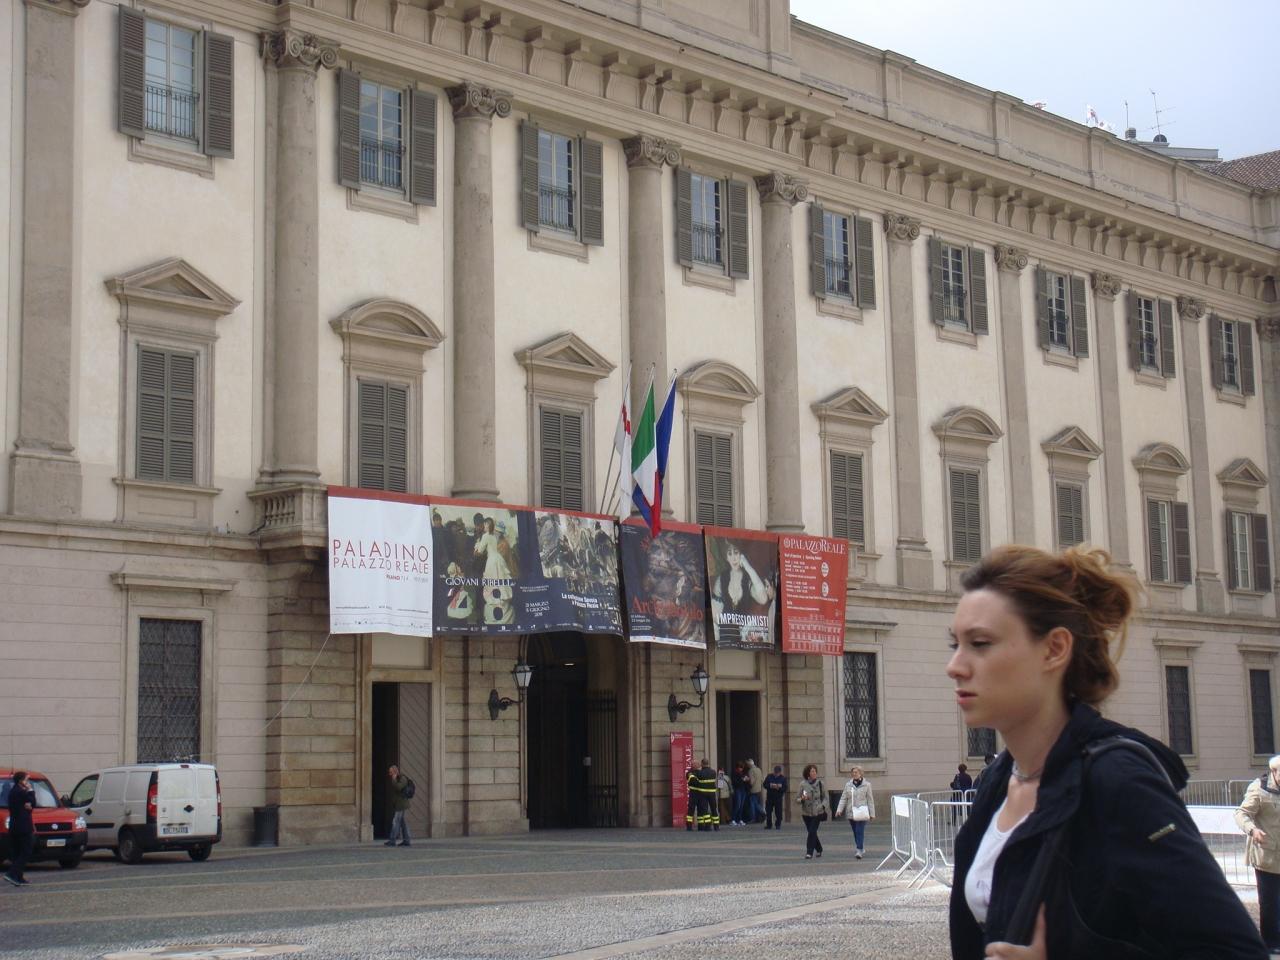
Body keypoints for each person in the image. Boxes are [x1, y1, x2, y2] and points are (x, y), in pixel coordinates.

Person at [947, 545, 1265, 959]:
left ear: (1054, 649)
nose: (955, 666)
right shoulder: (997, 781)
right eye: (955, 644)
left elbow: (1235, 951)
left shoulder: (1118, 780)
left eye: (980, 643)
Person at [1236, 755, 1280, 953]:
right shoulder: (1259, 788)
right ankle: (1271, 943)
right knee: (1270, 902)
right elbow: (1241, 813)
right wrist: (1253, 830)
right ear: (1274, 771)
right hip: (1266, 856)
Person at [834, 765, 875, 859]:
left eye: (856, 772)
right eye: (853, 772)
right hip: (851, 811)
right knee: (855, 831)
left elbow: (870, 800)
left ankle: (859, 850)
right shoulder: (848, 785)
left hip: (862, 812)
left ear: (861, 773)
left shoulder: (867, 785)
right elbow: (843, 798)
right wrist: (839, 810)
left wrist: (872, 814)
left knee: (859, 830)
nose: (854, 774)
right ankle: (861, 847)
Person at [3, 771, 36, 886]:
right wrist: (30, 790)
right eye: (26, 780)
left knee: (18, 852)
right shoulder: (21, 792)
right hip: (23, 827)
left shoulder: (13, 792)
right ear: (21, 781)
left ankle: (18, 877)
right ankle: (11, 873)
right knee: (26, 851)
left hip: (15, 826)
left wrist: (28, 806)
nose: (28, 782)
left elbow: (29, 805)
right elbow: (33, 802)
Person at [795, 763, 826, 860]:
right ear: (808, 773)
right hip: (806, 812)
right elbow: (797, 799)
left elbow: (825, 798)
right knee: (812, 832)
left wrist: (822, 806)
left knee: (812, 831)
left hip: (817, 812)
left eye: (815, 771)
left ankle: (809, 852)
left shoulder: (820, 784)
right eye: (812, 771)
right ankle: (819, 849)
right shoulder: (803, 784)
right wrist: (802, 799)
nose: (814, 773)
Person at [385, 765, 411, 847]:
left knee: (395, 822)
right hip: (398, 804)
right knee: (403, 823)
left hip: (401, 805)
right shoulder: (397, 779)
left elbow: (399, 787)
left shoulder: (402, 778)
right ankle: (406, 840)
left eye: (391, 772)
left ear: (395, 771)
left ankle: (392, 840)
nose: (389, 774)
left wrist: (394, 779)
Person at [692, 759, 719, 831]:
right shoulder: (713, 772)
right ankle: (716, 826)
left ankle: (708, 826)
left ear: (702, 764)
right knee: (714, 809)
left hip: (703, 794)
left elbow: (695, 782)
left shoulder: (700, 773)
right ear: (708, 763)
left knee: (705, 810)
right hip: (712, 793)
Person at [763, 764, 787, 829]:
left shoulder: (783, 778)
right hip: (770, 797)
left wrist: (779, 788)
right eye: (775, 773)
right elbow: (764, 784)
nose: (776, 774)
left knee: (778, 812)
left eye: (777, 773)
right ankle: (769, 825)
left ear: (780, 772)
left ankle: (778, 824)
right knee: (768, 811)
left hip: (778, 798)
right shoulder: (769, 776)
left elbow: (785, 788)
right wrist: (770, 786)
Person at [746, 758, 765, 824]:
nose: (747, 766)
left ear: (749, 764)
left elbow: (752, 782)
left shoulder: (751, 771)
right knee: (756, 803)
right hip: (759, 789)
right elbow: (762, 780)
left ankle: (757, 816)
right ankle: (758, 817)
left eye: (747, 764)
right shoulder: (758, 769)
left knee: (753, 804)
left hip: (753, 790)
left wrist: (747, 780)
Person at [731, 761, 749, 825]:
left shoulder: (743, 773)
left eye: (742, 767)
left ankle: (739, 819)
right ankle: (733, 819)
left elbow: (746, 781)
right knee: (737, 805)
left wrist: (747, 780)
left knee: (741, 806)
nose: (741, 769)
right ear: (737, 767)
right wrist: (742, 780)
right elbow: (735, 782)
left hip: (743, 790)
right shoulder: (734, 773)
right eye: (740, 767)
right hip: (738, 790)